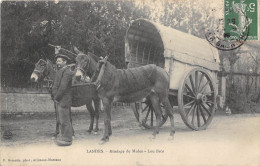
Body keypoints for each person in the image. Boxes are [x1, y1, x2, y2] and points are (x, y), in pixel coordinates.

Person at [51, 47, 76, 146]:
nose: (57, 62)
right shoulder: (61, 70)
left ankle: (67, 139)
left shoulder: (67, 72)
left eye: (59, 61)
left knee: (65, 119)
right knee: (62, 119)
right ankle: (64, 136)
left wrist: (56, 98)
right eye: (57, 61)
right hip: (60, 99)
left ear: (65, 62)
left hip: (63, 100)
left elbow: (62, 87)